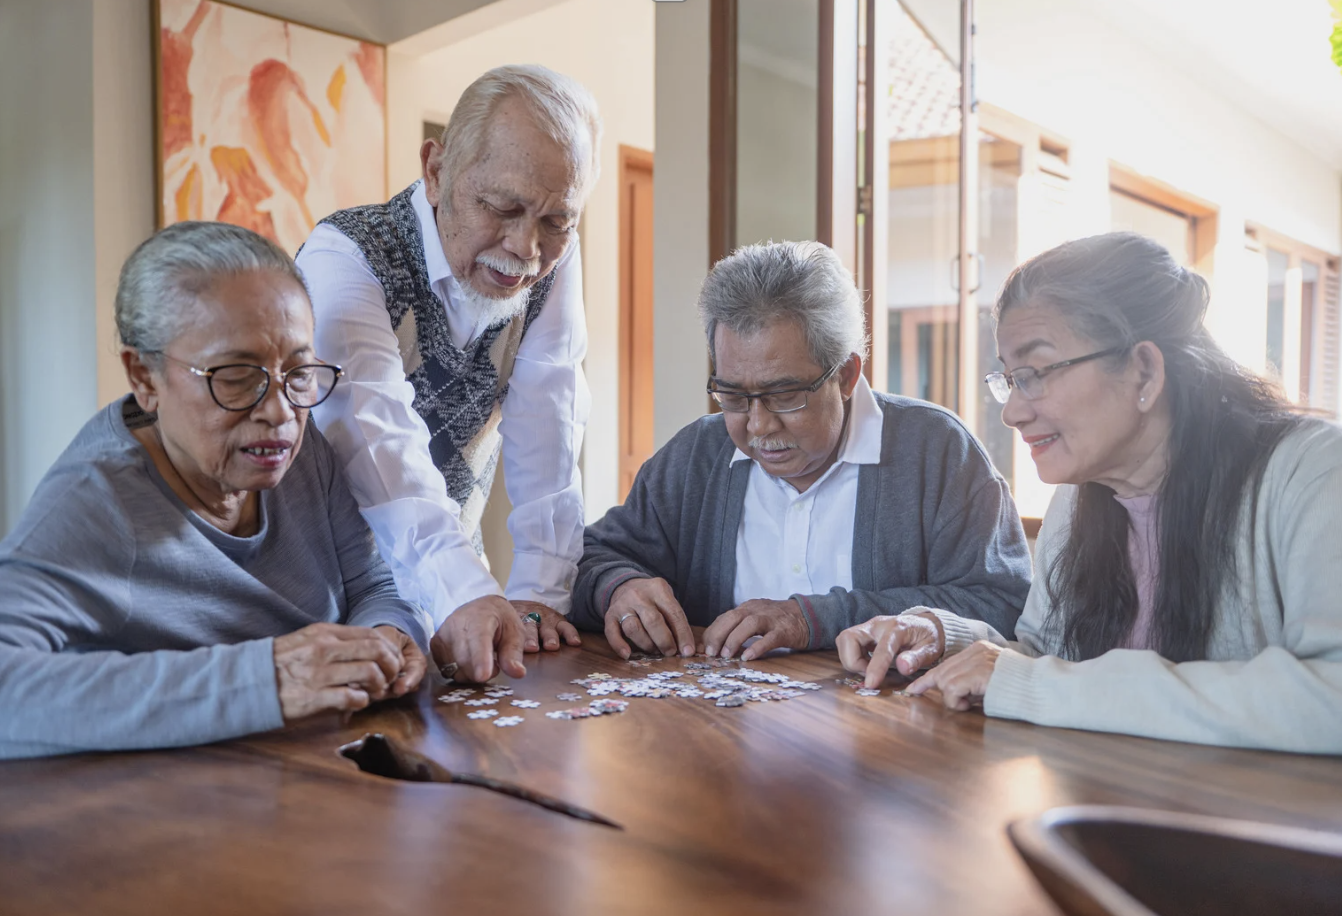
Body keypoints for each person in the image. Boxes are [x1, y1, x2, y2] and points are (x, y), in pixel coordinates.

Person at [838, 232, 1342, 754]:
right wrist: (947, 639)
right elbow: (1046, 658)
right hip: (1099, 808)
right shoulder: (1081, 497)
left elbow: (1332, 698)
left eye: (1034, 373)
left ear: (1144, 369)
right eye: (1009, 379)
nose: (1011, 412)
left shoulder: (1311, 470)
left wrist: (1034, 682)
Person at [0, 222, 428, 759]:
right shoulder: (93, 503)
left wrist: (386, 639)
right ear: (146, 378)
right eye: (236, 376)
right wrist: (266, 680)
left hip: (319, 775)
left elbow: (373, 585)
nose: (279, 412)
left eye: (297, 372)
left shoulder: (298, 445)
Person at [571, 241, 1031, 660]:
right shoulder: (696, 456)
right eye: (732, 396)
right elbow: (592, 556)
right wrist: (620, 587)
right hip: (717, 733)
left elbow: (1002, 603)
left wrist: (813, 619)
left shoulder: (938, 451)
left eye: (785, 395)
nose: (758, 425)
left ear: (847, 375)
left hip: (891, 735)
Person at [296, 65, 601, 684]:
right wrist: (461, 587)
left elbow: (551, 423)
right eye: (502, 207)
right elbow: (373, 436)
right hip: (326, 588)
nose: (524, 247)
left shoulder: (549, 261)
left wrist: (540, 591)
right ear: (435, 171)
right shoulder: (345, 257)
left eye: (556, 222)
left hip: (456, 587)